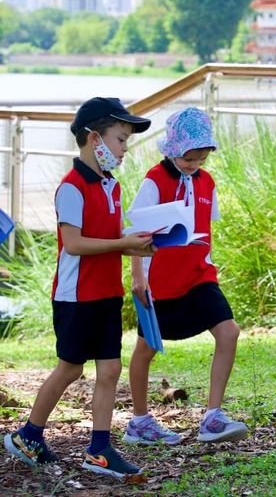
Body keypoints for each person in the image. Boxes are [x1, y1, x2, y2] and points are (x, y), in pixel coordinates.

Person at [4, 97, 154, 481]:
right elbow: (74, 243)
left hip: (106, 293)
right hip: (76, 296)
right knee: (70, 368)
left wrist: (136, 241)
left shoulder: (112, 187)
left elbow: (107, 236)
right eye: (120, 140)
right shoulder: (71, 188)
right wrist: (124, 245)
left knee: (110, 369)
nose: (123, 150)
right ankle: (29, 435)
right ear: (94, 138)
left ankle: (99, 449)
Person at [123, 107, 248, 445]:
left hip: (199, 276)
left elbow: (205, 227)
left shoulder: (207, 181)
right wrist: (138, 278)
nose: (194, 164)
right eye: (189, 157)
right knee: (146, 350)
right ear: (173, 149)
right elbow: (138, 231)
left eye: (201, 158)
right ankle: (139, 421)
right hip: (159, 281)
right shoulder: (155, 180)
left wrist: (207, 261)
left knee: (229, 332)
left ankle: (213, 417)